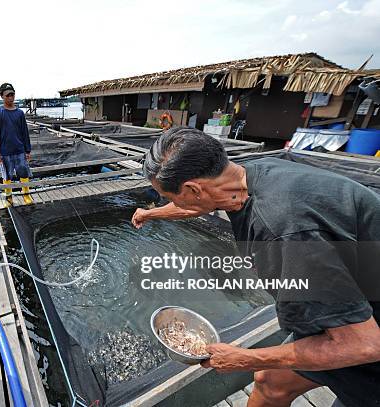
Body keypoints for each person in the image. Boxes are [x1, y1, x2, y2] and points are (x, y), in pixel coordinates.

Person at [132, 127, 380, 407]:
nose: (173, 204)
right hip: (357, 291)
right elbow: (196, 204)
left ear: (192, 189)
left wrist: (244, 359)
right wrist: (151, 213)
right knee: (270, 382)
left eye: (171, 197)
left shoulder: (284, 232)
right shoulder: (250, 175)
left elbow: (364, 344)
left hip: (366, 335)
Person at [0, 82, 33, 205]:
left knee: (23, 173)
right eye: (8, 95)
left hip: (19, 150)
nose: (10, 97)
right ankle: (9, 198)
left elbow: (25, 133)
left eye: (12, 94)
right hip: (5, 151)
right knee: (7, 176)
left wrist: (27, 150)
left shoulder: (19, 113)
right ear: (1, 96)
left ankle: (26, 194)